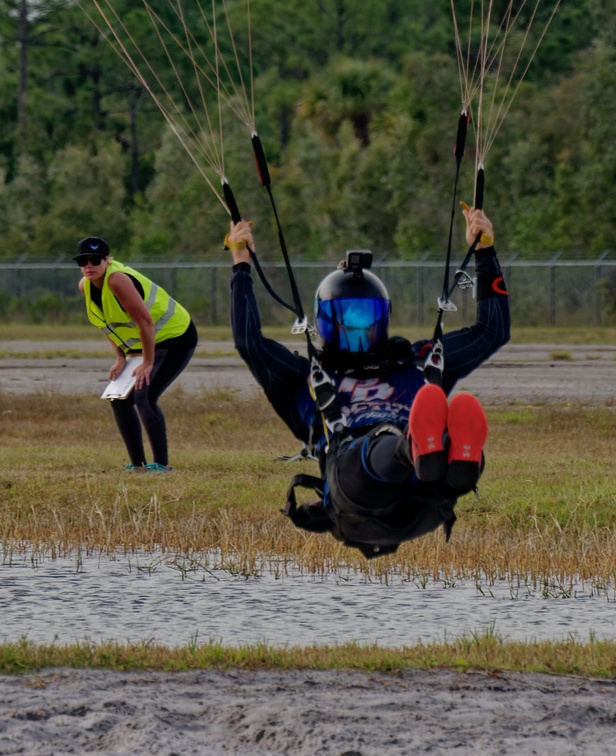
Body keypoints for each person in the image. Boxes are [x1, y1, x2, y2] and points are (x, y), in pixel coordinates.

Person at [226, 208, 510, 557]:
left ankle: (458, 459)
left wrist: (485, 251)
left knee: (438, 428)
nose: (358, 330)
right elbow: (248, 341)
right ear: (327, 321)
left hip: (423, 496)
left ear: (383, 317)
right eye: (347, 318)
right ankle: (421, 450)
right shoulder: (304, 378)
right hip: (355, 496)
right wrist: (241, 260)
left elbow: (492, 331)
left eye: (366, 317)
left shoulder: (416, 361)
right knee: (385, 438)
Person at [74, 237, 198, 472]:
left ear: (107, 260)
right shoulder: (85, 286)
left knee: (144, 395)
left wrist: (148, 363)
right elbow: (107, 324)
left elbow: (145, 320)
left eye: (95, 260)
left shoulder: (117, 279)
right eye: (83, 261)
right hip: (143, 343)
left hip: (175, 338)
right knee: (118, 398)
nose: (89, 265)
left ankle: (162, 465)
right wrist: (120, 358)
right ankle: (138, 465)